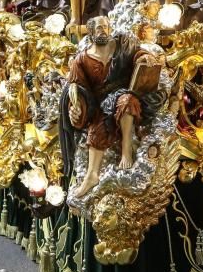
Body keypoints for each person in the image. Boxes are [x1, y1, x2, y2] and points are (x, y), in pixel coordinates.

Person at [63, 16, 164, 199]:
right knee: (97, 130)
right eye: (99, 28)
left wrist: (146, 57)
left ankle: (126, 151)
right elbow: (77, 90)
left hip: (127, 95)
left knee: (126, 100)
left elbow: (138, 53)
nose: (103, 30)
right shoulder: (82, 60)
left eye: (106, 27)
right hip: (101, 104)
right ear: (91, 32)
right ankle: (91, 175)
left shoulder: (122, 45)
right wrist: (76, 108)